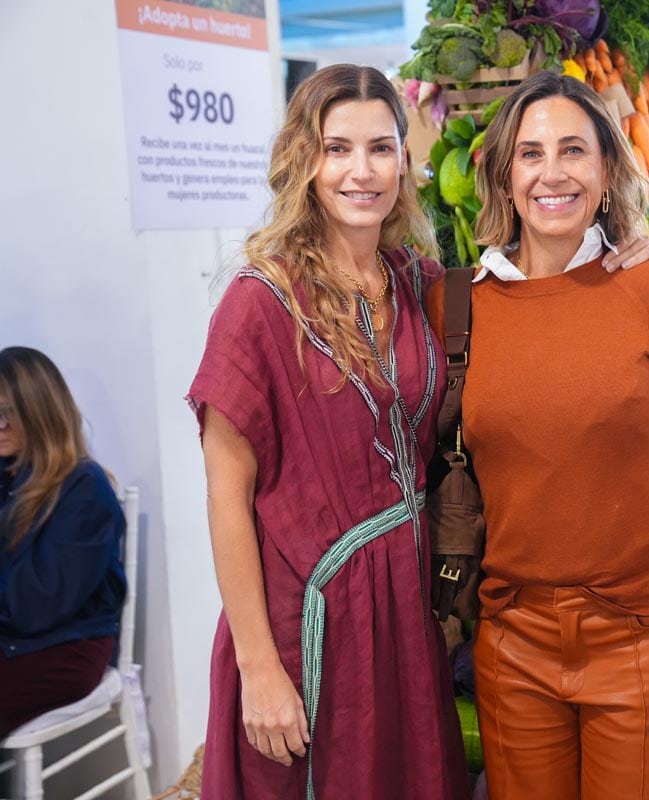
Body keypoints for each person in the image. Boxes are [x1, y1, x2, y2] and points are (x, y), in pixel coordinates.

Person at [426, 71, 649, 799]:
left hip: (642, 642)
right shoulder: (453, 305)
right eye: (531, 154)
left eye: (574, 150)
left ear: (606, 170)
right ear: (505, 178)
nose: (552, 172)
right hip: (511, 643)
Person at [186, 64, 471, 799]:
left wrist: (623, 248)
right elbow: (226, 498)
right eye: (337, 148)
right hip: (304, 624)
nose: (361, 171)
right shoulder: (260, 302)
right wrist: (259, 669)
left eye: (380, 148)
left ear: (404, 160)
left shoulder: (413, 280)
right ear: (304, 161)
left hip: (400, 616)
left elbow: (528, 286)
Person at [0, 346, 126, 738]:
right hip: (17, 641)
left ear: (39, 412)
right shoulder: (9, 478)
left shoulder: (83, 488)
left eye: (7, 412)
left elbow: (36, 606)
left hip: (65, 648)